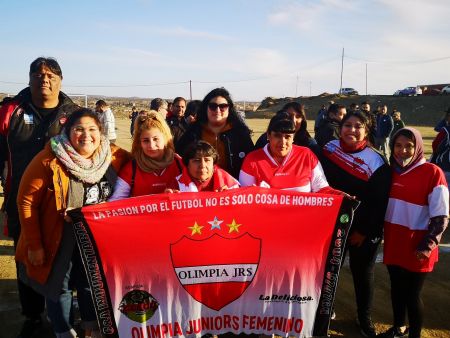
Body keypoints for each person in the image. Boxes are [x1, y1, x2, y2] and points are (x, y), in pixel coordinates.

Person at [15, 108, 130, 338]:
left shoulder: (115, 156)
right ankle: (63, 329)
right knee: (59, 286)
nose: (86, 135)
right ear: (68, 132)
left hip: (96, 239)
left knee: (92, 282)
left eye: (92, 129)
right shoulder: (50, 159)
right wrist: (34, 244)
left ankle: (91, 325)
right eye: (79, 129)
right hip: (59, 236)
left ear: (101, 132)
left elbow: (146, 164)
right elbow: (26, 201)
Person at [0, 57, 79, 338]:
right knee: (27, 257)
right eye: (38, 74)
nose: (44, 79)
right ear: (30, 78)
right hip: (21, 201)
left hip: (66, 205)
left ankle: (67, 314)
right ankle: (32, 315)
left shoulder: (74, 114)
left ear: (60, 80)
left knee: (66, 260)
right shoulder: (10, 110)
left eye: (51, 75)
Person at [320, 111, 391, 337]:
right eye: (347, 125)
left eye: (358, 126)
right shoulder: (328, 149)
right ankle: (323, 313)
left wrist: (364, 231)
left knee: (363, 274)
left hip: (362, 230)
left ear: (367, 130)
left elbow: (379, 204)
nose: (351, 130)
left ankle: (364, 317)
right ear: (339, 128)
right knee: (328, 273)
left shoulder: (377, 160)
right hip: (330, 228)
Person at [379, 128, 448, 338]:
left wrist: (428, 245)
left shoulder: (432, 172)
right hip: (394, 242)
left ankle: (415, 334)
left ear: (417, 147)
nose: (403, 151)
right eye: (398, 146)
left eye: (409, 146)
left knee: (412, 294)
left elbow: (441, 216)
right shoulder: (389, 171)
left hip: (418, 245)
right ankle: (399, 327)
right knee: (397, 289)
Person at [239, 113, 340, 194]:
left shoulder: (306, 155)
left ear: (293, 138)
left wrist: (339, 196)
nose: (282, 142)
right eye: (277, 136)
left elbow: (321, 189)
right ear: (268, 135)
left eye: (287, 136)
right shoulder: (252, 159)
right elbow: (244, 197)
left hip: (302, 218)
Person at [176, 87, 254, 179]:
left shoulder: (240, 134)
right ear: (206, 108)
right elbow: (180, 161)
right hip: (200, 187)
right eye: (213, 106)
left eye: (223, 106)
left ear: (229, 109)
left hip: (233, 187)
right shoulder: (193, 133)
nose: (217, 110)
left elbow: (251, 163)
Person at [109, 110, 184, 200]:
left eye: (156, 139)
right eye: (146, 140)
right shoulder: (131, 169)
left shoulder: (180, 165)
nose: (151, 145)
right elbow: (116, 202)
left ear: (165, 138)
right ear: (139, 142)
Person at [167, 140, 239, 192]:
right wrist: (168, 199)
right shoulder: (177, 184)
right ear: (187, 164)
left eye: (207, 160)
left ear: (213, 163)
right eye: (196, 160)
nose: (202, 165)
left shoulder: (229, 183)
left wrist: (230, 198)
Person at [255, 102, 320, 155]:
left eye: (298, 116)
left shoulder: (310, 144)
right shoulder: (264, 139)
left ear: (302, 120)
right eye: (289, 115)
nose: (294, 120)